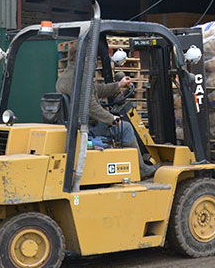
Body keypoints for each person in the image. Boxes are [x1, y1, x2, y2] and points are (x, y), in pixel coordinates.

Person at [56, 40, 157, 179]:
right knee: (125, 127)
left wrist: (118, 85)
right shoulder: (80, 79)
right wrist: (111, 119)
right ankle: (141, 169)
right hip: (86, 127)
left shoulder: (68, 76)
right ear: (86, 57)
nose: (94, 62)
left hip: (76, 125)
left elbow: (97, 89)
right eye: (93, 58)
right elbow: (90, 106)